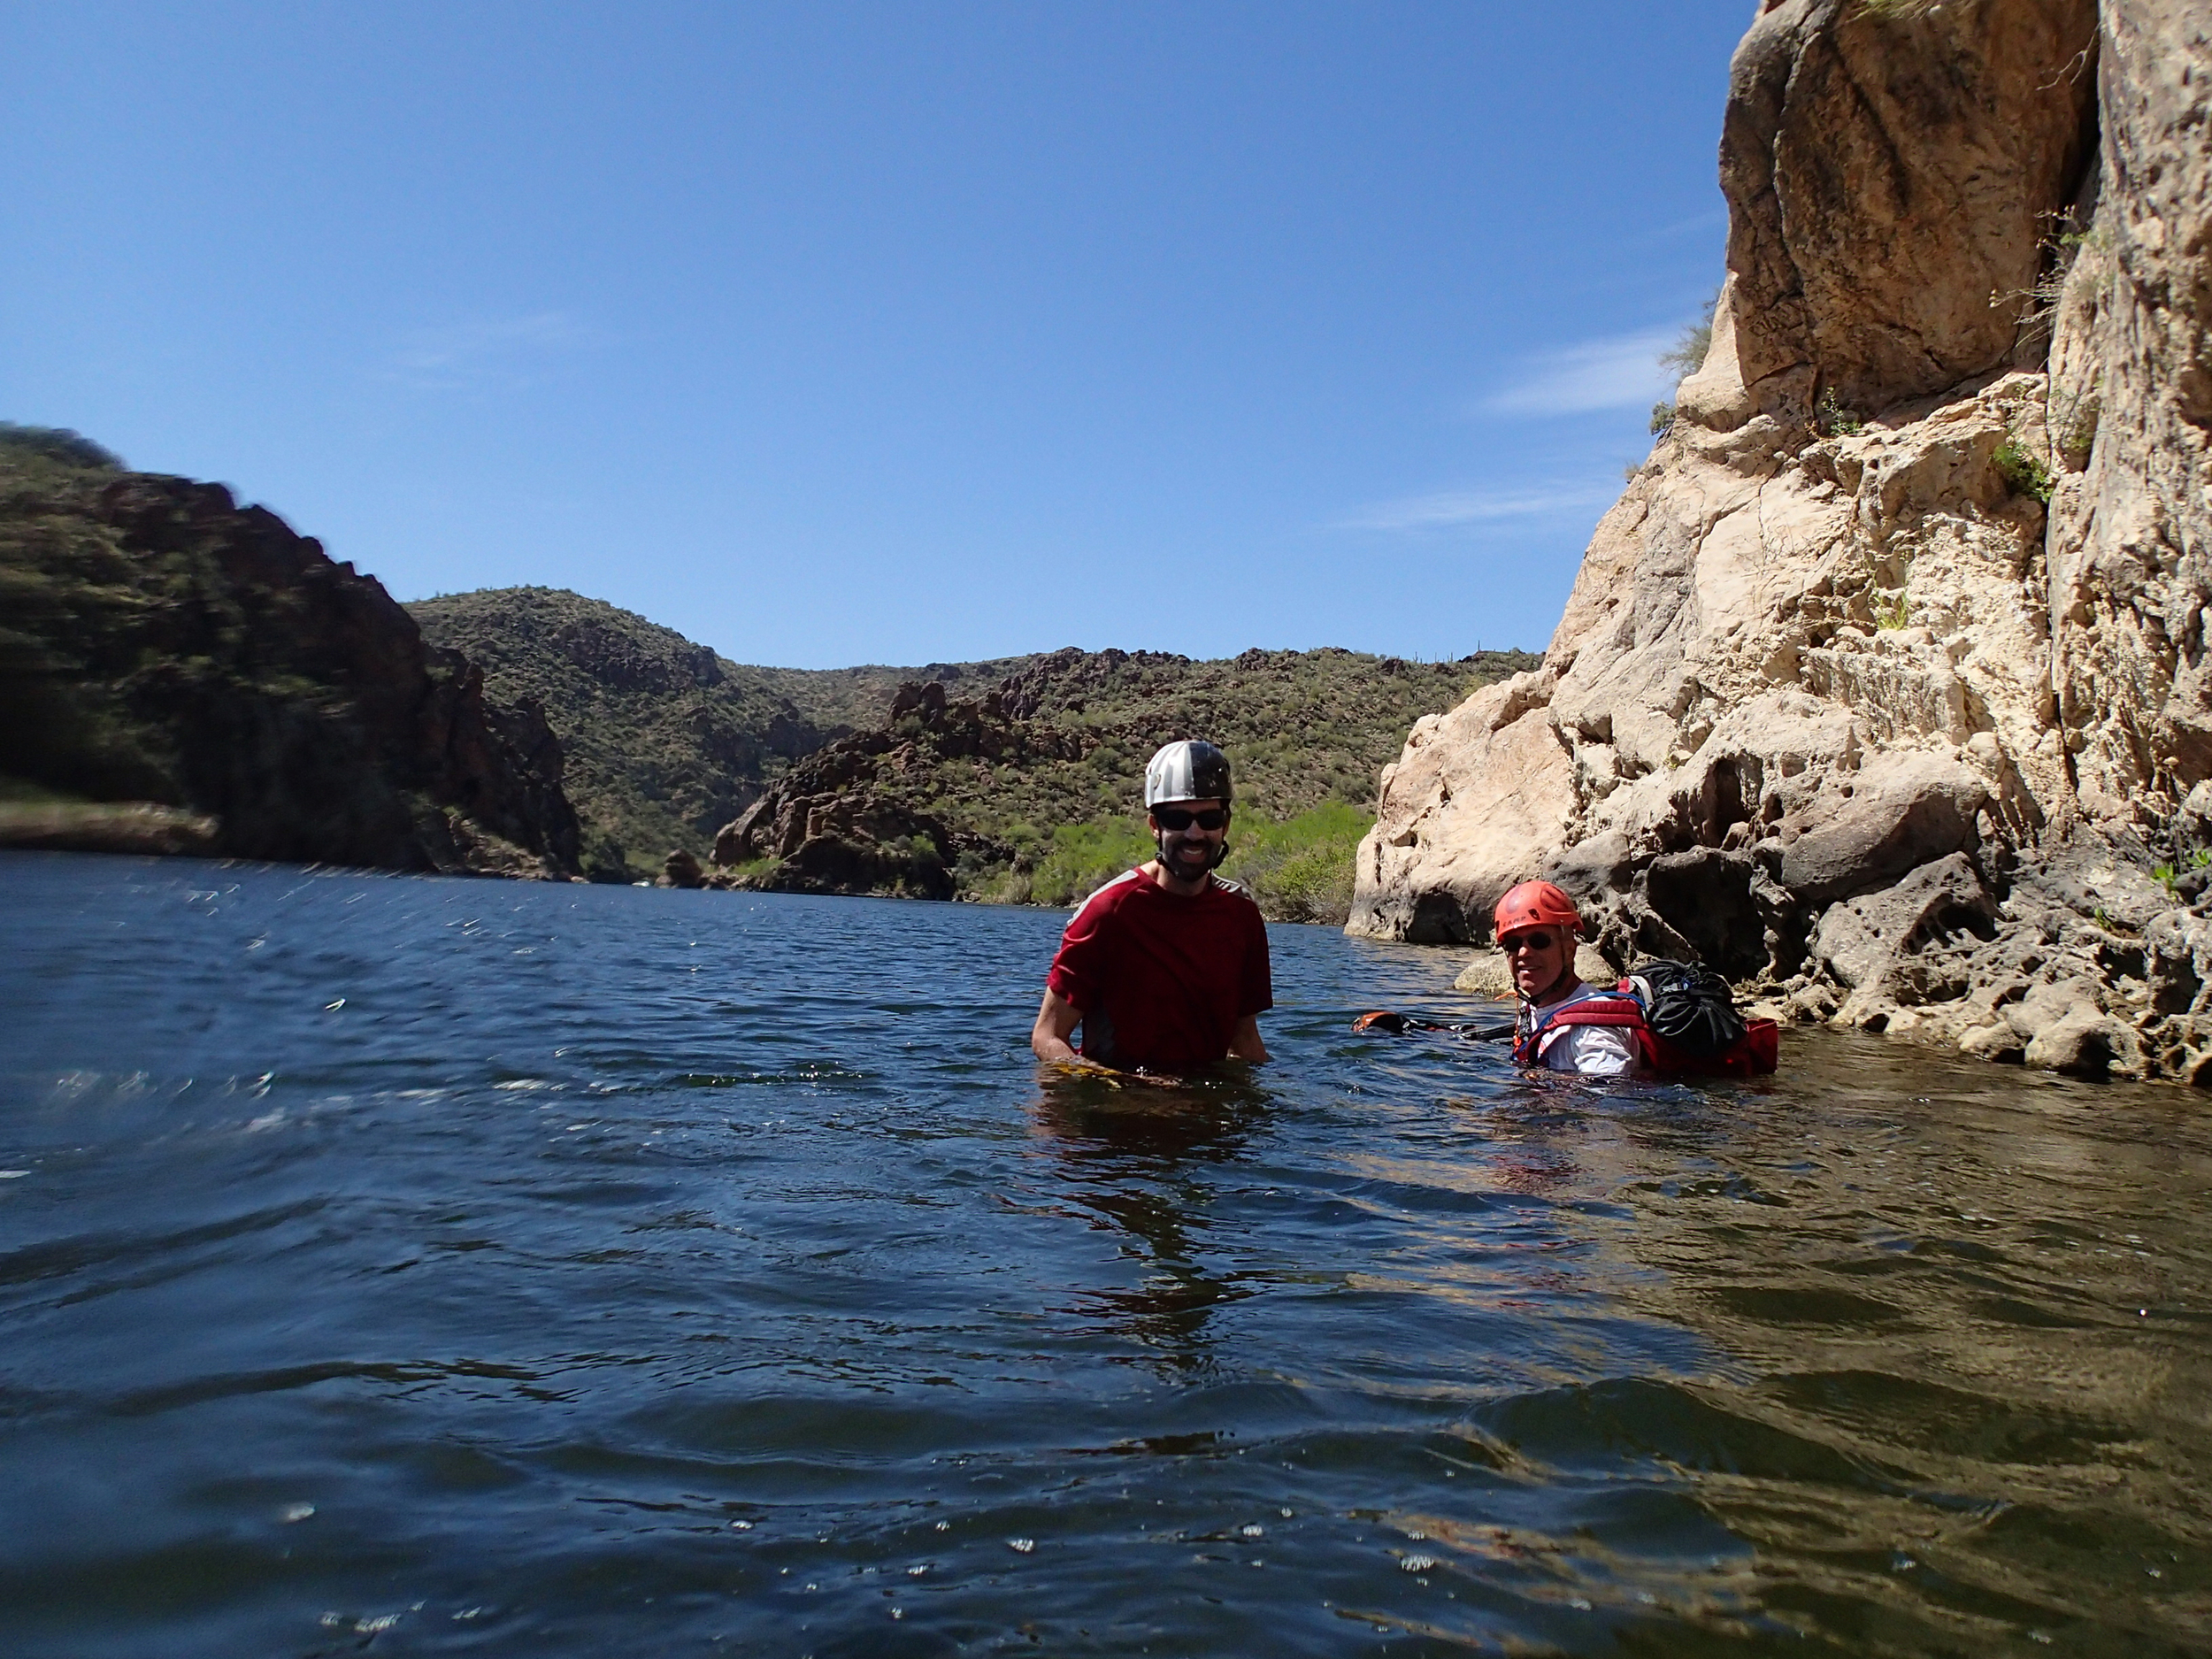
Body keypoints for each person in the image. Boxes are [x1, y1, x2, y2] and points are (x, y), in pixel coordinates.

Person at [1030, 740, 1272, 1074]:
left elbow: (1245, 1041)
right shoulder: (1107, 912)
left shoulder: (1241, 915)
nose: (1194, 833)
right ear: (1154, 826)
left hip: (1207, 1114)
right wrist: (1125, 1088)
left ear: (1225, 825)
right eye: (1177, 819)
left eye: (1210, 819)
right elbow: (1048, 1036)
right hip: (1115, 1112)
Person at [1495, 879, 1640, 1076]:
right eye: (1513, 944)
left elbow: (1611, 1097)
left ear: (1570, 949)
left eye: (1539, 941)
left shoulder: (1593, 1031)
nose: (1523, 952)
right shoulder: (1531, 1007)